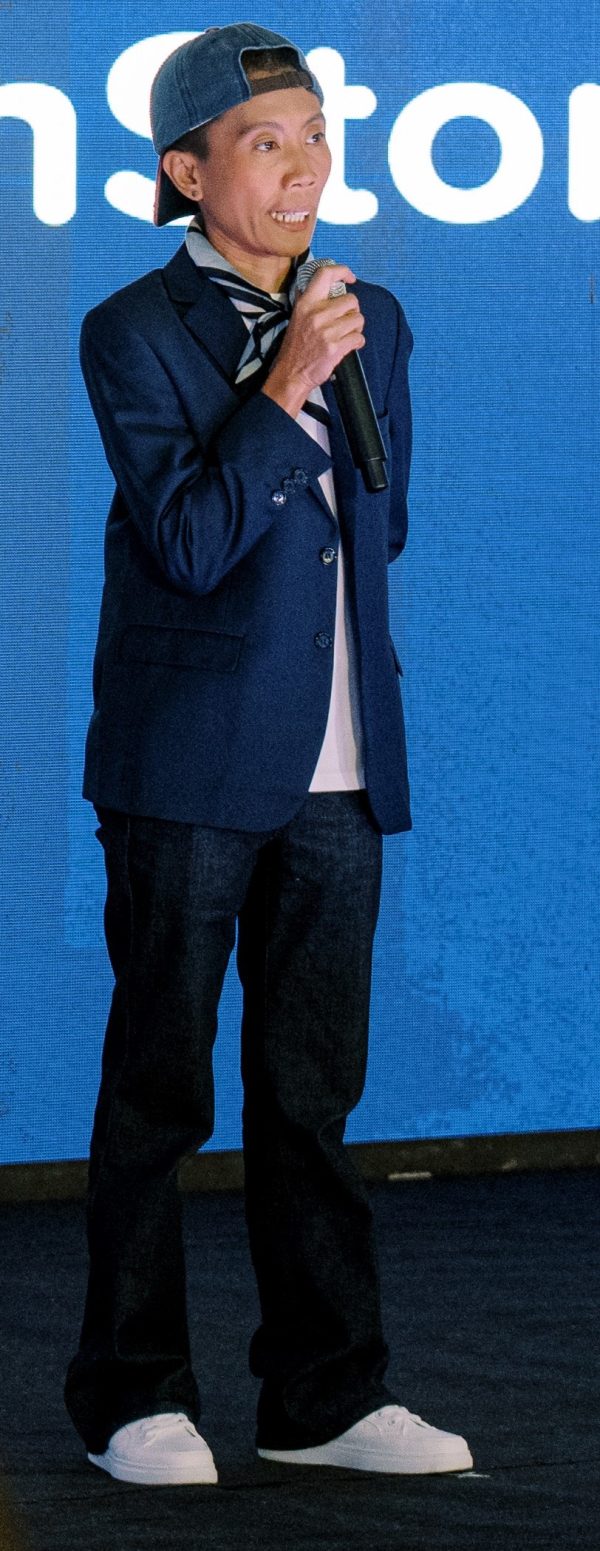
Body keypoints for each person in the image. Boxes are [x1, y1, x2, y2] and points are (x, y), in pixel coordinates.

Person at [64, 23, 473, 1485]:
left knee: (312, 1096)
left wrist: (319, 360)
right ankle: (130, 1396)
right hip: (188, 765)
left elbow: (379, 529)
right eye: (265, 143)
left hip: (343, 768)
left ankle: (323, 1398)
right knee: (159, 1091)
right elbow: (188, 541)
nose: (304, 169)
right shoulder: (131, 329)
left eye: (314, 138)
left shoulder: (375, 316)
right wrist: (288, 379)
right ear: (188, 172)